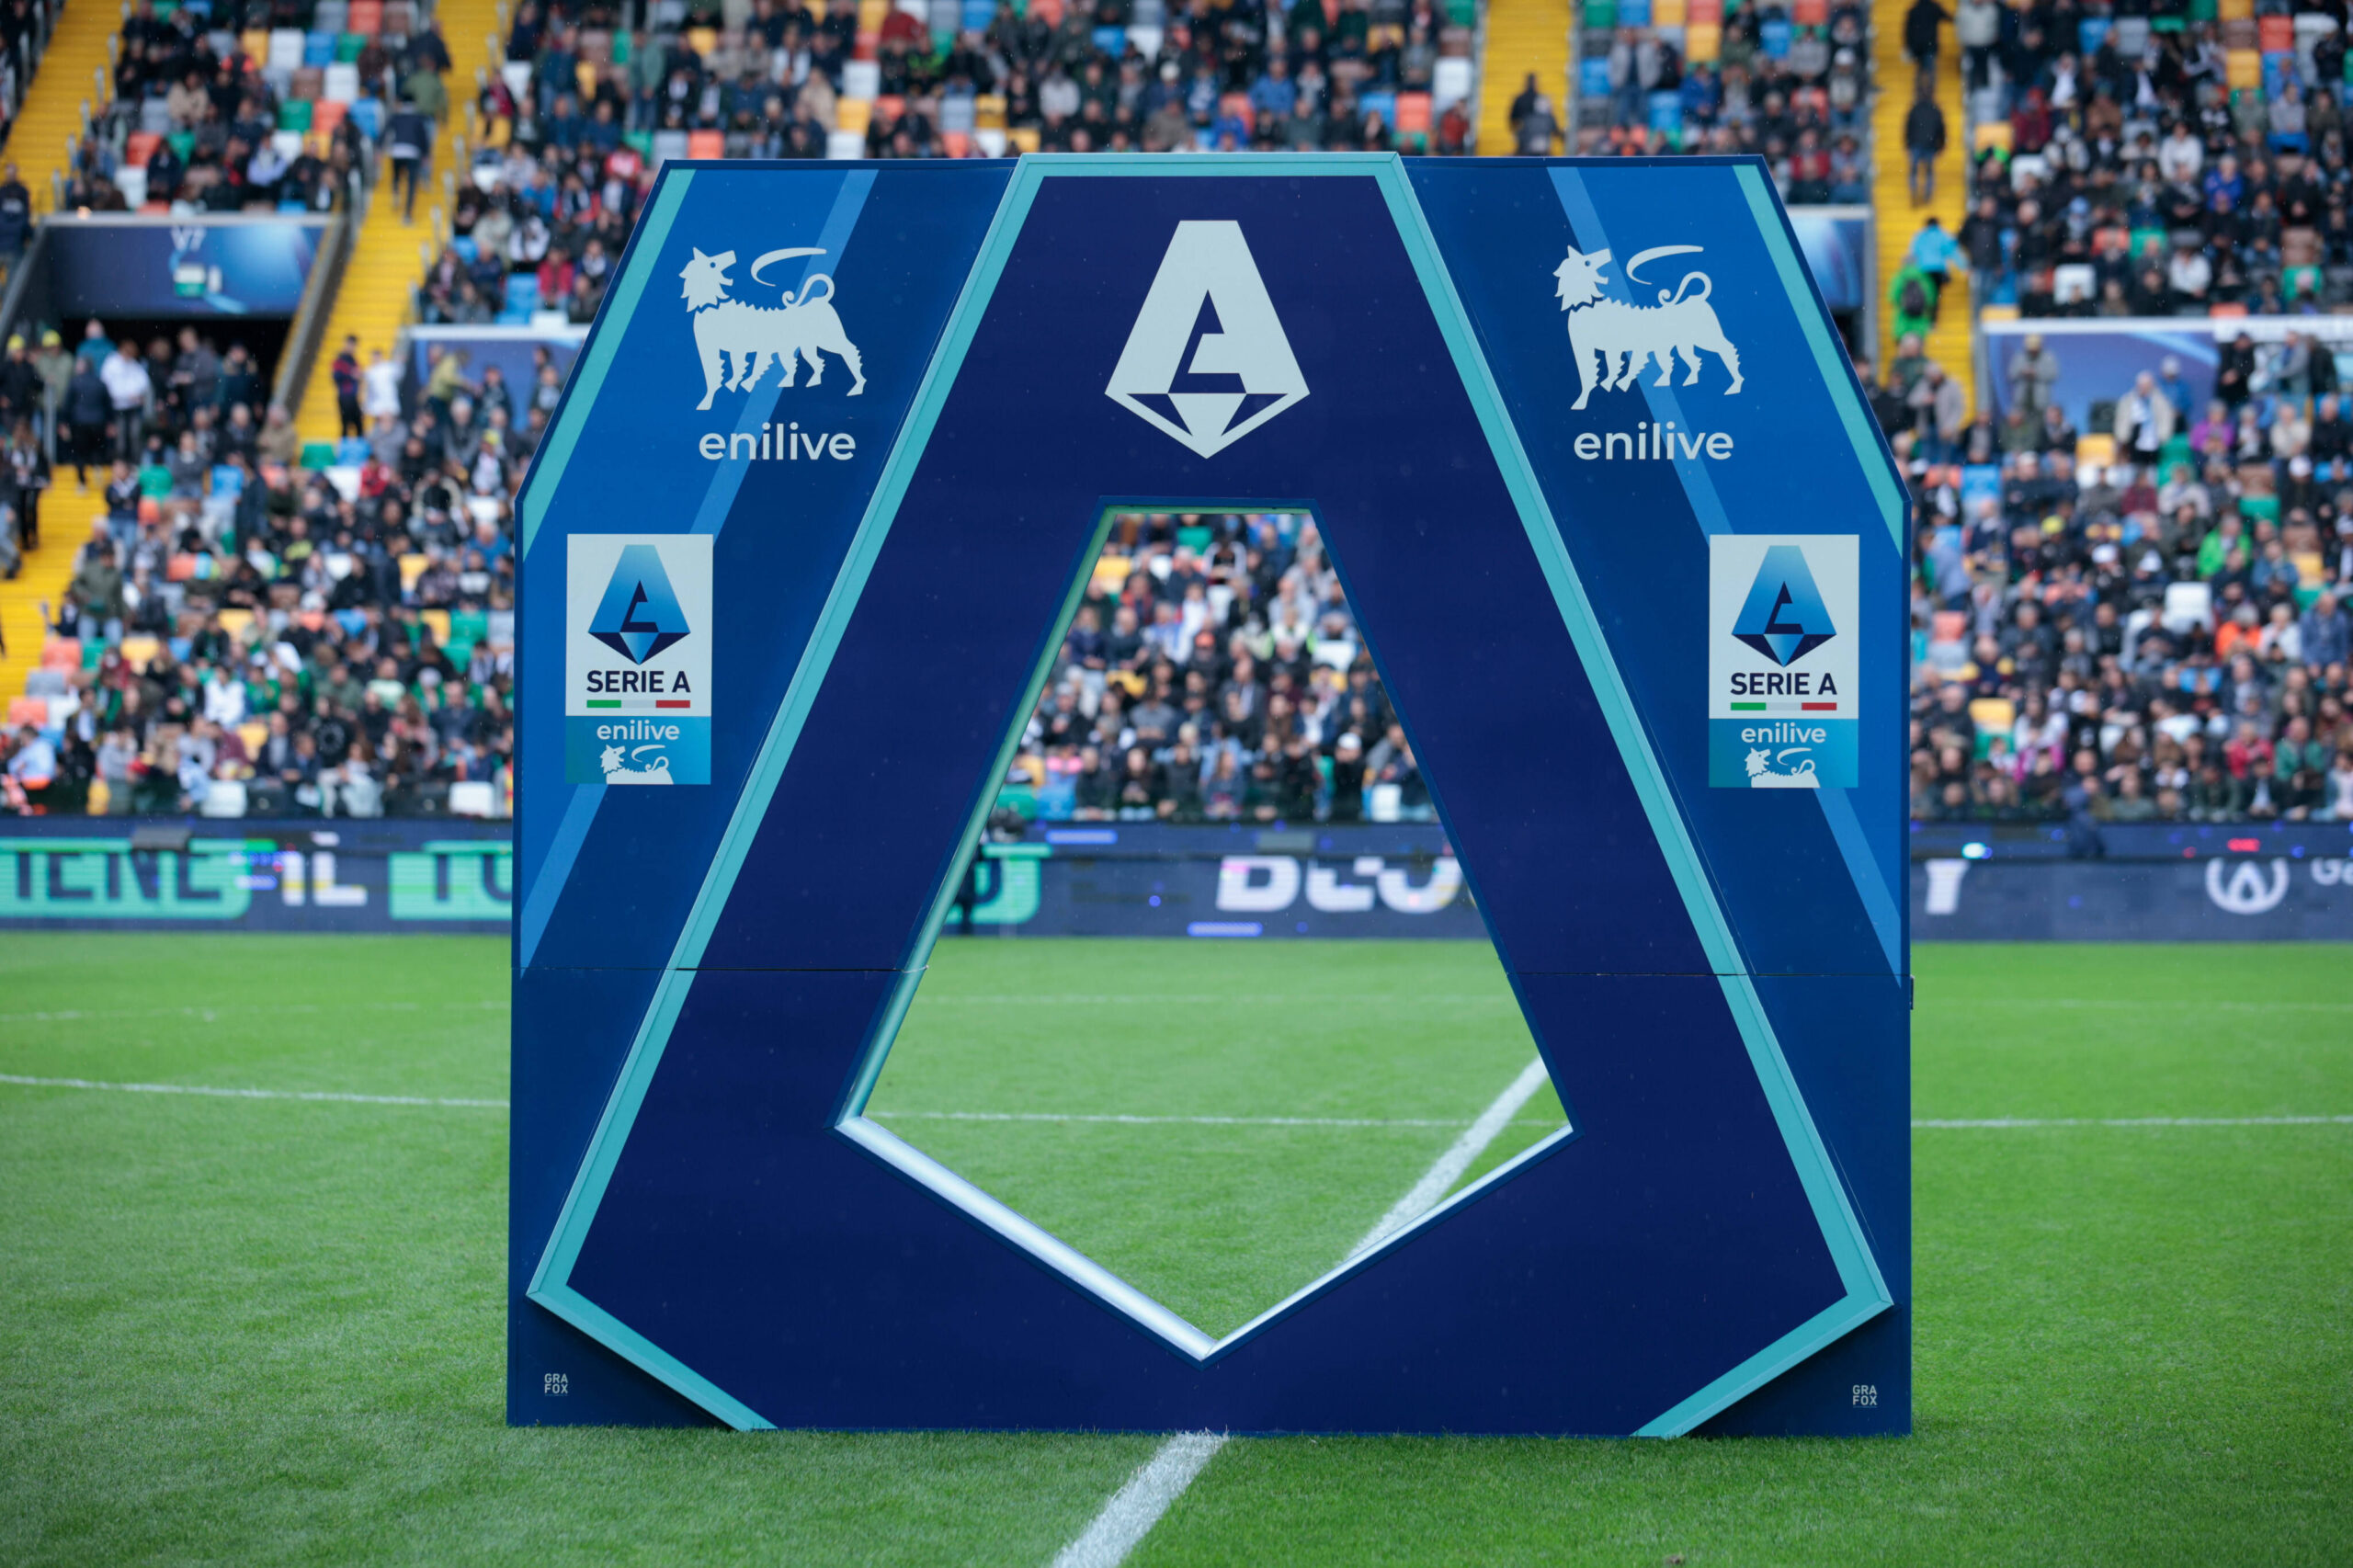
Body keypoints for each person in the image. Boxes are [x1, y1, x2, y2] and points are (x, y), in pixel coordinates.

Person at [385, 103, 434, 222]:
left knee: (396, 174)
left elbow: (386, 131)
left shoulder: (396, 117)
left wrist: (379, 147)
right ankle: (407, 213)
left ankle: (396, 190)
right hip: (413, 151)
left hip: (397, 150)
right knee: (412, 183)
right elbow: (423, 138)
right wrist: (426, 154)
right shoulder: (418, 119)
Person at [1904, 83, 1947, 204]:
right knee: (1929, 171)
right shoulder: (1935, 109)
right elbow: (1941, 128)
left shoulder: (1915, 109)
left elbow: (1908, 127)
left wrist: (1908, 142)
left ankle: (1915, 191)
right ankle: (1927, 194)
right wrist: (1941, 143)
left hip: (1917, 144)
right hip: (1930, 144)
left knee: (1914, 170)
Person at [332, 335, 364, 438]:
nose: (352, 347)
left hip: (353, 397)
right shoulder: (340, 360)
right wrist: (351, 375)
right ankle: (343, 451)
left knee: (358, 424)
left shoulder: (353, 360)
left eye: (353, 345)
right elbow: (336, 377)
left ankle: (359, 450)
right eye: (350, 344)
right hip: (345, 396)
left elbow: (358, 377)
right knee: (346, 424)